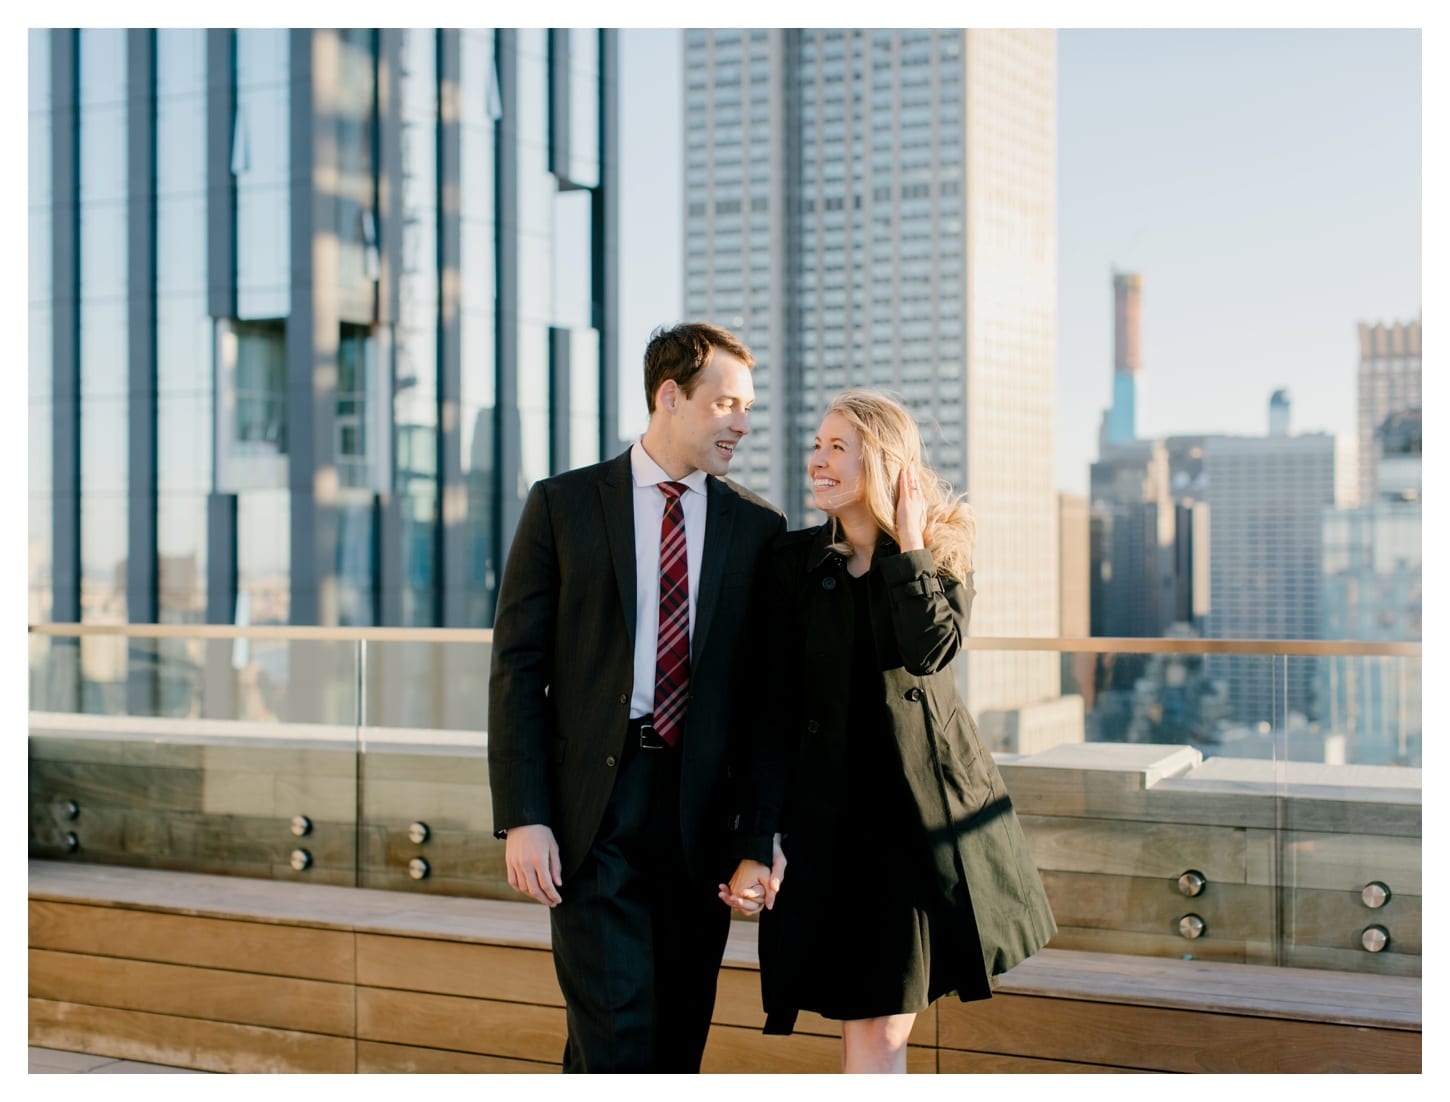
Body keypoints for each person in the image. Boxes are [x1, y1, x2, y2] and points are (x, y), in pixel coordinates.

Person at [721, 388, 1056, 1074]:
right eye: (816, 446)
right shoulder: (791, 564)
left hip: (910, 834)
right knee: (869, 1034)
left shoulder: (937, 557)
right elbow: (771, 712)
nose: (817, 460)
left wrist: (908, 544)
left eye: (837, 448)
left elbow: (930, 650)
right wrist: (760, 839)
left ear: (884, 463)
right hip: (824, 836)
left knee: (879, 1034)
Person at [487, 322, 787, 1073]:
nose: (742, 424)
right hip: (595, 811)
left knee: (675, 1043)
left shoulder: (759, 528)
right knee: (617, 1038)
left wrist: (756, 840)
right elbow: (517, 667)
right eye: (726, 404)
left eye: (747, 407)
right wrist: (523, 814)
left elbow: (763, 706)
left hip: (700, 821)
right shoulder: (562, 505)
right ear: (670, 396)